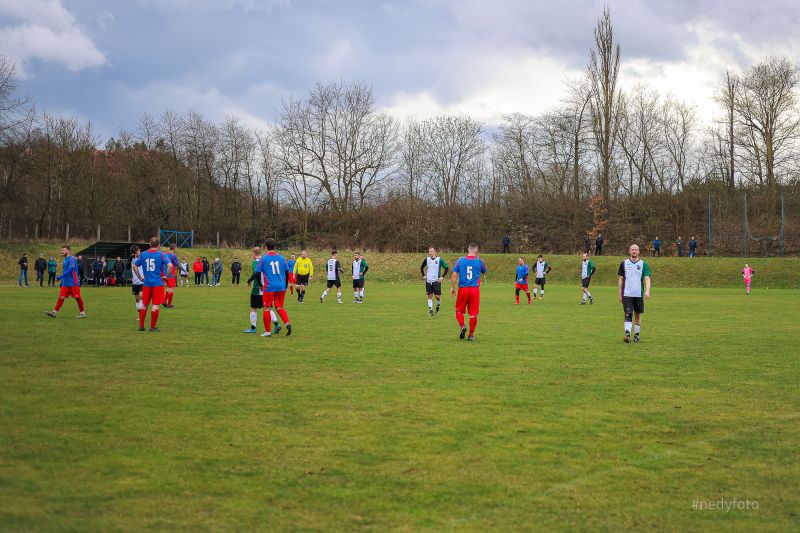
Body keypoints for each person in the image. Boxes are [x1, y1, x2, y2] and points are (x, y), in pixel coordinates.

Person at [256, 238, 292, 337]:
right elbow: (286, 273)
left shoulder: (263, 259)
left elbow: (257, 274)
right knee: (279, 307)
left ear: (266, 247)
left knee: (267, 308)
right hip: (281, 286)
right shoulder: (282, 258)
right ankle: (287, 323)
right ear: (274, 247)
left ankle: (267, 332)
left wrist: (260, 285)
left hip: (269, 287)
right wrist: (285, 285)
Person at [451, 243, 486, 341]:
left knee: (458, 310)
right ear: (476, 251)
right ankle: (471, 335)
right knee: (473, 314)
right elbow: (484, 271)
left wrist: (452, 287)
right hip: (474, 290)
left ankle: (462, 326)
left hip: (463, 289)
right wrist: (479, 259)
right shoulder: (480, 261)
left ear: (468, 249)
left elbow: (454, 275)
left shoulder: (460, 260)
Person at [133, 236, 169, 332]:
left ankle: (141, 326)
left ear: (150, 244)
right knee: (155, 305)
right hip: (157, 283)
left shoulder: (143, 254)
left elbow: (134, 265)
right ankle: (152, 327)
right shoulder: (161, 254)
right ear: (159, 245)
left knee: (144, 305)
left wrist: (140, 277)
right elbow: (169, 266)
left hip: (146, 284)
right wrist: (166, 276)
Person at [618, 243, 651, 343]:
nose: (634, 251)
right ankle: (627, 335)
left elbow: (647, 278)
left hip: (638, 294)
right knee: (628, 314)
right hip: (627, 294)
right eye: (632, 249)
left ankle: (636, 335)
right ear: (629, 251)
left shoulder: (643, 264)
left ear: (639, 251)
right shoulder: (624, 263)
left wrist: (647, 290)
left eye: (636, 250)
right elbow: (620, 279)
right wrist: (620, 294)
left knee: (637, 315)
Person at [243, 247, 279, 334]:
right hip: (267, 288)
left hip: (258, 289)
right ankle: (277, 324)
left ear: (254, 254)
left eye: (252, 254)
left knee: (253, 307)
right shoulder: (265, 260)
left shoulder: (256, 262)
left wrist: (251, 281)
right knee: (268, 308)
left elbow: (256, 273)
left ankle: (253, 327)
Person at [45, 245, 86, 318]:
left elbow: (71, 270)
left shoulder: (72, 259)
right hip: (65, 282)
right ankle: (54, 312)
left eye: (63, 250)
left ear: (68, 251)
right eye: (61, 250)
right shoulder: (65, 259)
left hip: (73, 282)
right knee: (61, 297)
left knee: (77, 298)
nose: (62, 251)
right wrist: (62, 280)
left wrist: (60, 277)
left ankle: (82, 313)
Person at [420, 246, 449, 316]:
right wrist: (423, 275)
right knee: (429, 295)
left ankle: (437, 307)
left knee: (437, 297)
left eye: (431, 251)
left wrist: (442, 277)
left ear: (435, 252)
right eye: (429, 251)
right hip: (428, 281)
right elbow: (421, 267)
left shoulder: (439, 260)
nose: (430, 252)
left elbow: (447, 268)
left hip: (436, 281)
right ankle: (431, 310)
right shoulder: (427, 259)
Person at [129, 245, 144, 316]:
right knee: (137, 299)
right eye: (138, 250)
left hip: (142, 281)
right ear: (135, 252)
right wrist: (130, 259)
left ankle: (142, 313)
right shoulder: (131, 258)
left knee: (141, 296)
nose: (139, 251)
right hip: (135, 282)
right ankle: (139, 312)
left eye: (139, 250)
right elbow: (127, 267)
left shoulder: (142, 258)